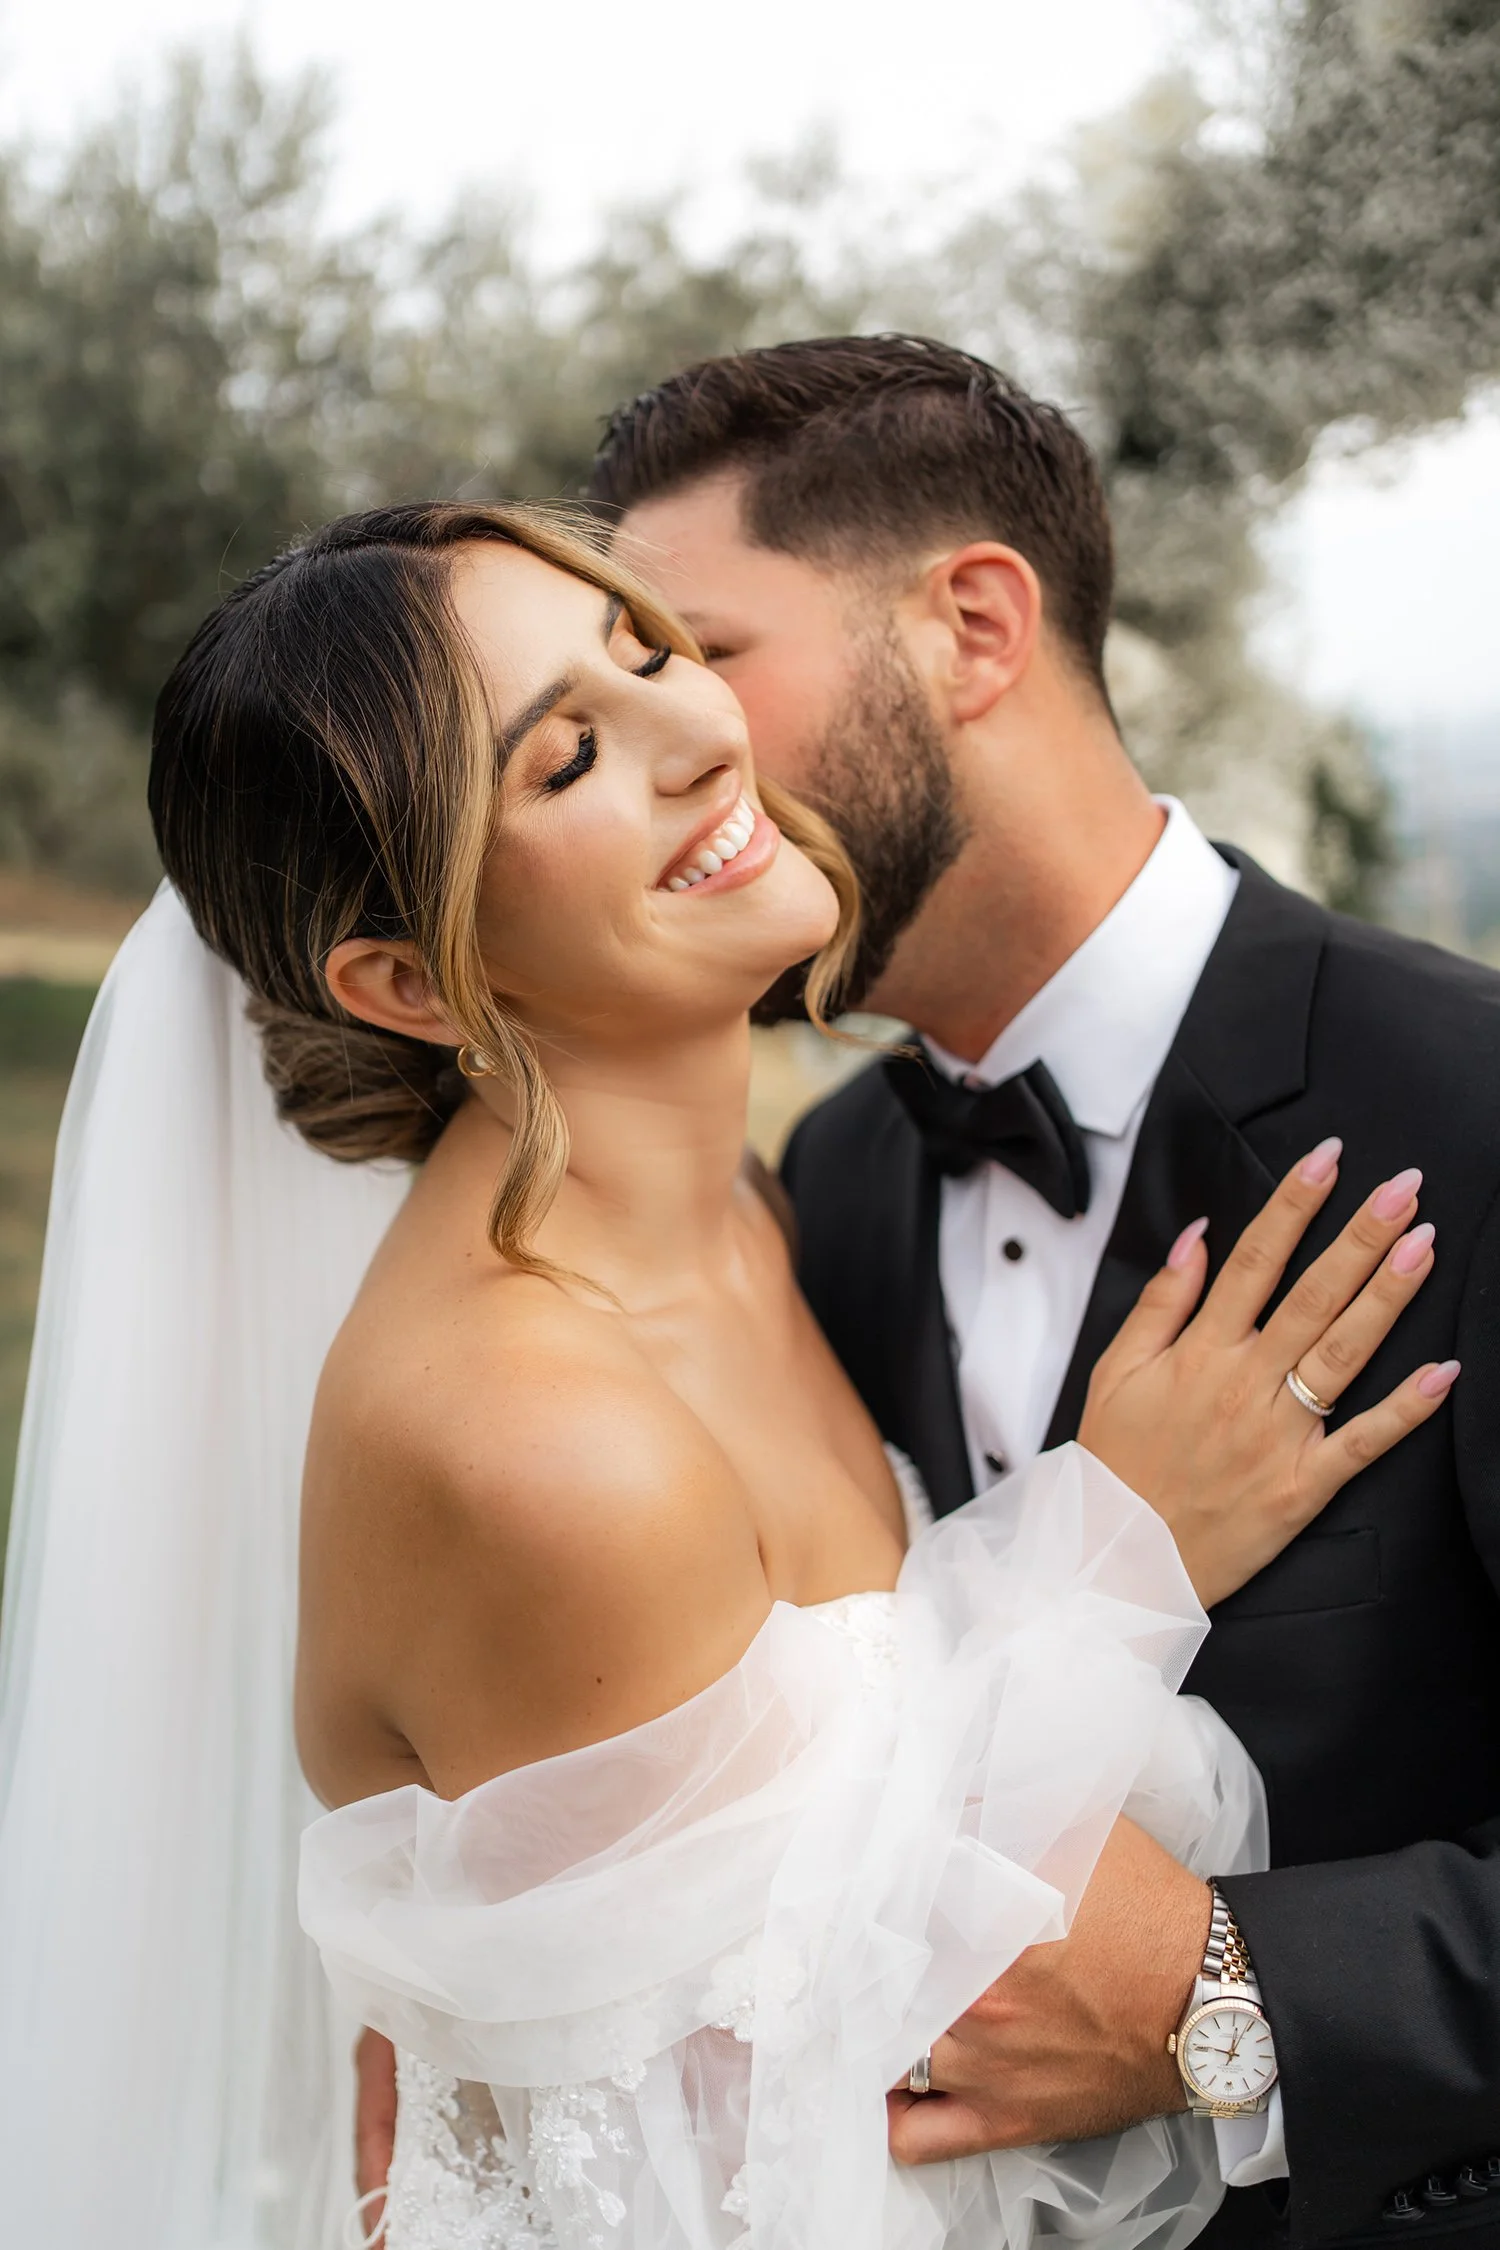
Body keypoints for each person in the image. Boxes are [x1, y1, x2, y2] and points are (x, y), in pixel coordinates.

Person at [57, 495, 1433, 2250]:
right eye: (567, 757)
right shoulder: (541, 1438)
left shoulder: (763, 1211)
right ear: (408, 980)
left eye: (654, 652)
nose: (707, 735)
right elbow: (815, 2140)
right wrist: (1117, 1540)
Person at [580, 334, 1500, 2246]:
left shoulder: (1469, 1107)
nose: (679, 763)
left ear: (973, 626)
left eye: (700, 657)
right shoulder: (830, 1185)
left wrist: (1234, 1999)